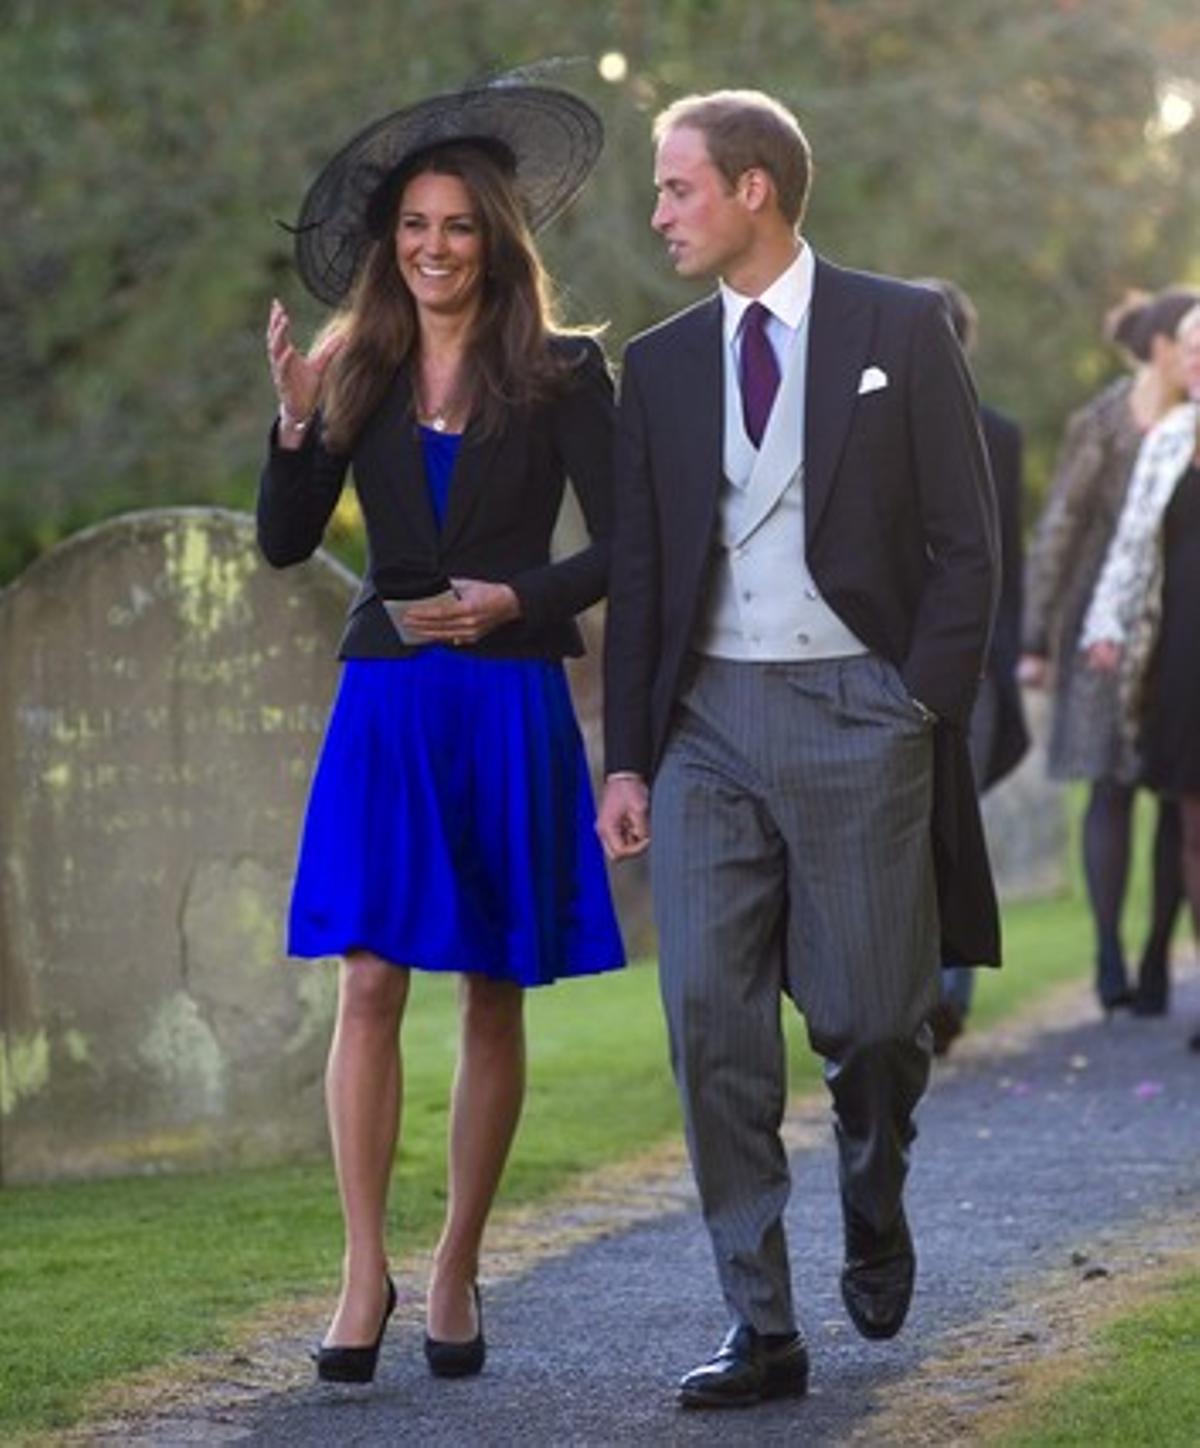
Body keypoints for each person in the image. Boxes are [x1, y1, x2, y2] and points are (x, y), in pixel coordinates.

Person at [597, 90, 998, 1410]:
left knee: (877, 1020)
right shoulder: (654, 368)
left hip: (859, 712)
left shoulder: (898, 326)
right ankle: (759, 1322)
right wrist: (629, 757)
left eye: (676, 188)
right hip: (708, 724)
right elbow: (648, 574)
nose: (657, 214)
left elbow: (966, 543)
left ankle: (873, 1195)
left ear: (753, 188)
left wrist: (915, 703)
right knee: (709, 1019)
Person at [257, 78, 624, 1385]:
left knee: (491, 986)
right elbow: (289, 541)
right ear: (388, 241)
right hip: (389, 705)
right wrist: (297, 421)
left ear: (496, 237)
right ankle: (366, 1268)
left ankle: (460, 1261)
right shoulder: (356, 366)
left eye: (458, 224)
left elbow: (633, 547)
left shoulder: (567, 374)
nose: (432, 246)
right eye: (413, 224)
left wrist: (518, 596)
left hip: (509, 702)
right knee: (367, 977)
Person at [1020, 288, 1197, 1016]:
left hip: (1176, 621)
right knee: (1110, 784)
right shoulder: (1106, 423)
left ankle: (1158, 950)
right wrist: (1038, 633)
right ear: (1165, 348)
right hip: (1107, 616)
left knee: (1175, 788)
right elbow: (1062, 523)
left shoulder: (1183, 426)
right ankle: (1109, 954)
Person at [1082, 303, 1200, 1047]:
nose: (1194, 362)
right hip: (1182, 658)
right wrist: (1105, 625)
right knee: (1192, 827)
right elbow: (1130, 546)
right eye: (1188, 350)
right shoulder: (1168, 443)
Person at [917, 278, 1029, 1055]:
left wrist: (1016, 654)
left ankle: (950, 991)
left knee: (960, 818)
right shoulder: (866, 419)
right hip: (896, 648)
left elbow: (1006, 556)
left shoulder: (998, 434)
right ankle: (917, 990)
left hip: (980, 657)